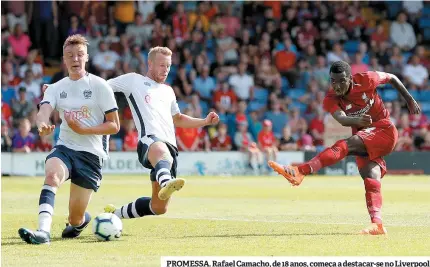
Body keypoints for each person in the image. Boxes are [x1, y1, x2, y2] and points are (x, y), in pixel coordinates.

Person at [268, 61, 421, 235]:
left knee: (345, 145)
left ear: (350, 78)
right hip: (365, 136)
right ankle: (377, 224)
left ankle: (300, 171)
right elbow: (341, 118)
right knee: (371, 177)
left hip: (384, 131)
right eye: (333, 81)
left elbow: (392, 77)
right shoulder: (330, 98)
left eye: (341, 81)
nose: (337, 85)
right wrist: (357, 121)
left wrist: (409, 99)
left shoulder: (367, 79)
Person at [18, 34, 120, 245]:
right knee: (52, 175)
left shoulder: (100, 86)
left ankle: (80, 222)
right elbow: (43, 110)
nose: (75, 59)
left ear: (87, 58)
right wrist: (42, 124)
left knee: (75, 218)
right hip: (65, 147)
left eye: (79, 55)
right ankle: (43, 232)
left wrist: (84, 129)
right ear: (64, 59)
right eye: (70, 55)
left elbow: (114, 125)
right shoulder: (56, 87)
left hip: (91, 156)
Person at [106, 46, 219, 219]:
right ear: (150, 64)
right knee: (161, 152)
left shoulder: (168, 91)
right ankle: (166, 181)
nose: (165, 69)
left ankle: (114, 215)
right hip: (149, 140)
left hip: (170, 148)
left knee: (158, 207)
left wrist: (204, 121)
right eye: (161, 65)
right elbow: (103, 86)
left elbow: (178, 118)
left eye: (168, 66)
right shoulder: (133, 81)